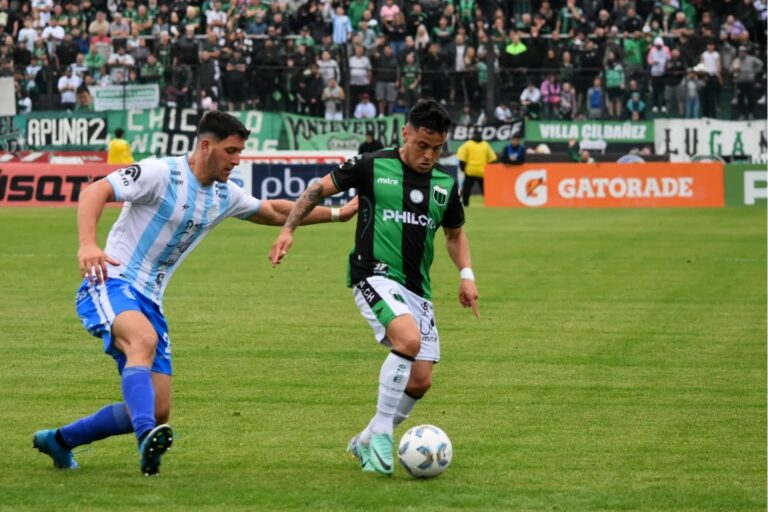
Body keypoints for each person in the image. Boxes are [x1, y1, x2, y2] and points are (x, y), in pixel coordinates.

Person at [32, 112, 358, 476]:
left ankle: (59, 441)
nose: (237, 160)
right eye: (231, 151)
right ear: (206, 146)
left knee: (157, 408)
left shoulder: (224, 193)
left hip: (151, 300)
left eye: (241, 152)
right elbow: (96, 190)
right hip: (111, 281)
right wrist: (87, 244)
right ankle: (146, 439)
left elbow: (270, 211)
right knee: (142, 341)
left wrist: (337, 214)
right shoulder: (160, 173)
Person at [269, 99, 478, 477]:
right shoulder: (371, 165)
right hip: (373, 274)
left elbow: (455, 235)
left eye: (437, 148)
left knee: (421, 379)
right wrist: (289, 228)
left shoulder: (445, 184)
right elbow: (318, 189)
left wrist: (466, 275)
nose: (429, 155)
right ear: (405, 134)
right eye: (422, 145)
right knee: (408, 341)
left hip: (418, 288)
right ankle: (382, 433)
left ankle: (364, 438)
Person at [455, 130, 497, 207]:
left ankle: (465, 204)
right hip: (482, 172)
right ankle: (489, 203)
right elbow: (492, 159)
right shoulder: (485, 145)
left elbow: (462, 158)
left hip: (470, 171)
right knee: (485, 190)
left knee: (466, 189)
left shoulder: (467, 144)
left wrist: (463, 168)